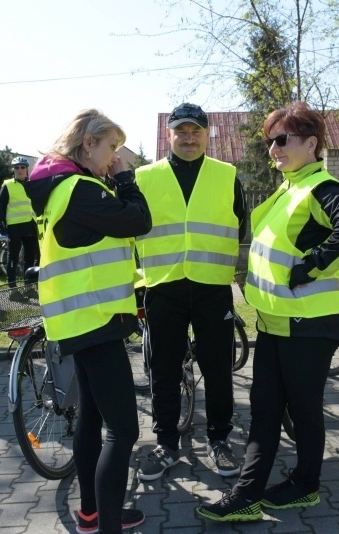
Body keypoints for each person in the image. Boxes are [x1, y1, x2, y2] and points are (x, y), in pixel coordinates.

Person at [197, 101, 339, 522]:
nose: (274, 148)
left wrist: (311, 266)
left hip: (308, 323)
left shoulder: (320, 187)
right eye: (269, 142)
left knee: (301, 409)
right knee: (266, 409)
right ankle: (248, 495)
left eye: (282, 139)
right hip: (277, 323)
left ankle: (303, 486)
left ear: (311, 143)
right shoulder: (290, 187)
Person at [25, 109, 151, 533]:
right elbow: (139, 220)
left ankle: (92, 514)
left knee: (91, 420)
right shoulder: (79, 189)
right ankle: (107, 526)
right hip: (95, 320)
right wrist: (126, 179)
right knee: (123, 431)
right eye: (112, 147)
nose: (115, 157)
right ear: (88, 143)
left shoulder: (58, 187)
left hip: (79, 320)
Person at [133, 103, 247, 482]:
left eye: (196, 131)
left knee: (218, 368)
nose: (189, 138)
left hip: (212, 286)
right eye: (181, 131)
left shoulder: (227, 175)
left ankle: (219, 440)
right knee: (163, 370)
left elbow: (241, 226)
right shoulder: (145, 177)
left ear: (207, 134)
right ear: (169, 135)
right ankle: (166, 444)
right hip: (164, 286)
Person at [0, 156, 39, 287]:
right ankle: (12, 288)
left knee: (30, 258)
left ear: (27, 169)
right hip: (14, 227)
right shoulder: (7, 185)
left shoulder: (33, 184)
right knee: (13, 259)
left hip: (31, 226)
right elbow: (0, 208)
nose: (19, 170)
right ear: (13, 170)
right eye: (16, 167)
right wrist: (2, 229)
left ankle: (29, 286)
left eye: (22, 167)